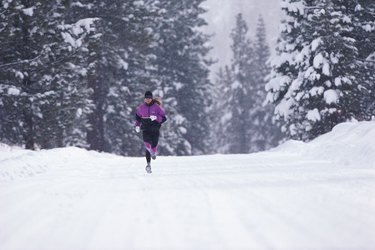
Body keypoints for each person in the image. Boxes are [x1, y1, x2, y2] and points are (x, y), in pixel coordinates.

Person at [134, 91, 167, 173]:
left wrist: (156, 117)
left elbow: (164, 118)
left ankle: (153, 152)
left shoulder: (157, 107)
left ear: (151, 98)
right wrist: (137, 126)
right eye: (146, 98)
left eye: (149, 98)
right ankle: (148, 165)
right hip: (145, 129)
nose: (147, 99)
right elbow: (138, 118)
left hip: (155, 129)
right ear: (144, 99)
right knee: (147, 145)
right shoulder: (141, 108)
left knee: (154, 146)